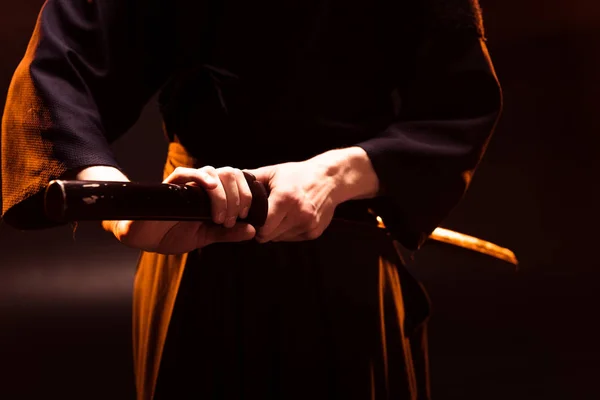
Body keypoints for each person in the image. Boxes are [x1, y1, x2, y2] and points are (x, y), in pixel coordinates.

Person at [1, 0, 502, 398]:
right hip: (189, 234)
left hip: (347, 254)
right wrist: (119, 205)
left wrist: (337, 173)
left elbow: (457, 101)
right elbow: (57, 73)